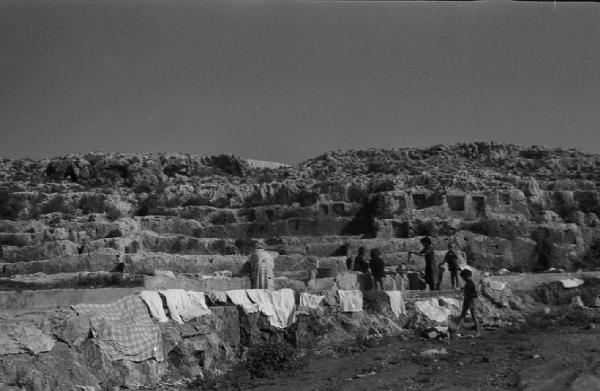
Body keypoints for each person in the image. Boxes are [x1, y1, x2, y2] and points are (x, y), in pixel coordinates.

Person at [454, 268, 480, 336]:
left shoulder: (473, 283)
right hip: (467, 299)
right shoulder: (468, 283)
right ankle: (456, 329)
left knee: (474, 316)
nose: (463, 279)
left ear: (467, 276)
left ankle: (477, 332)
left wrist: (469, 294)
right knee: (462, 315)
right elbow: (467, 289)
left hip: (472, 301)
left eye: (463, 278)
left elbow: (476, 294)